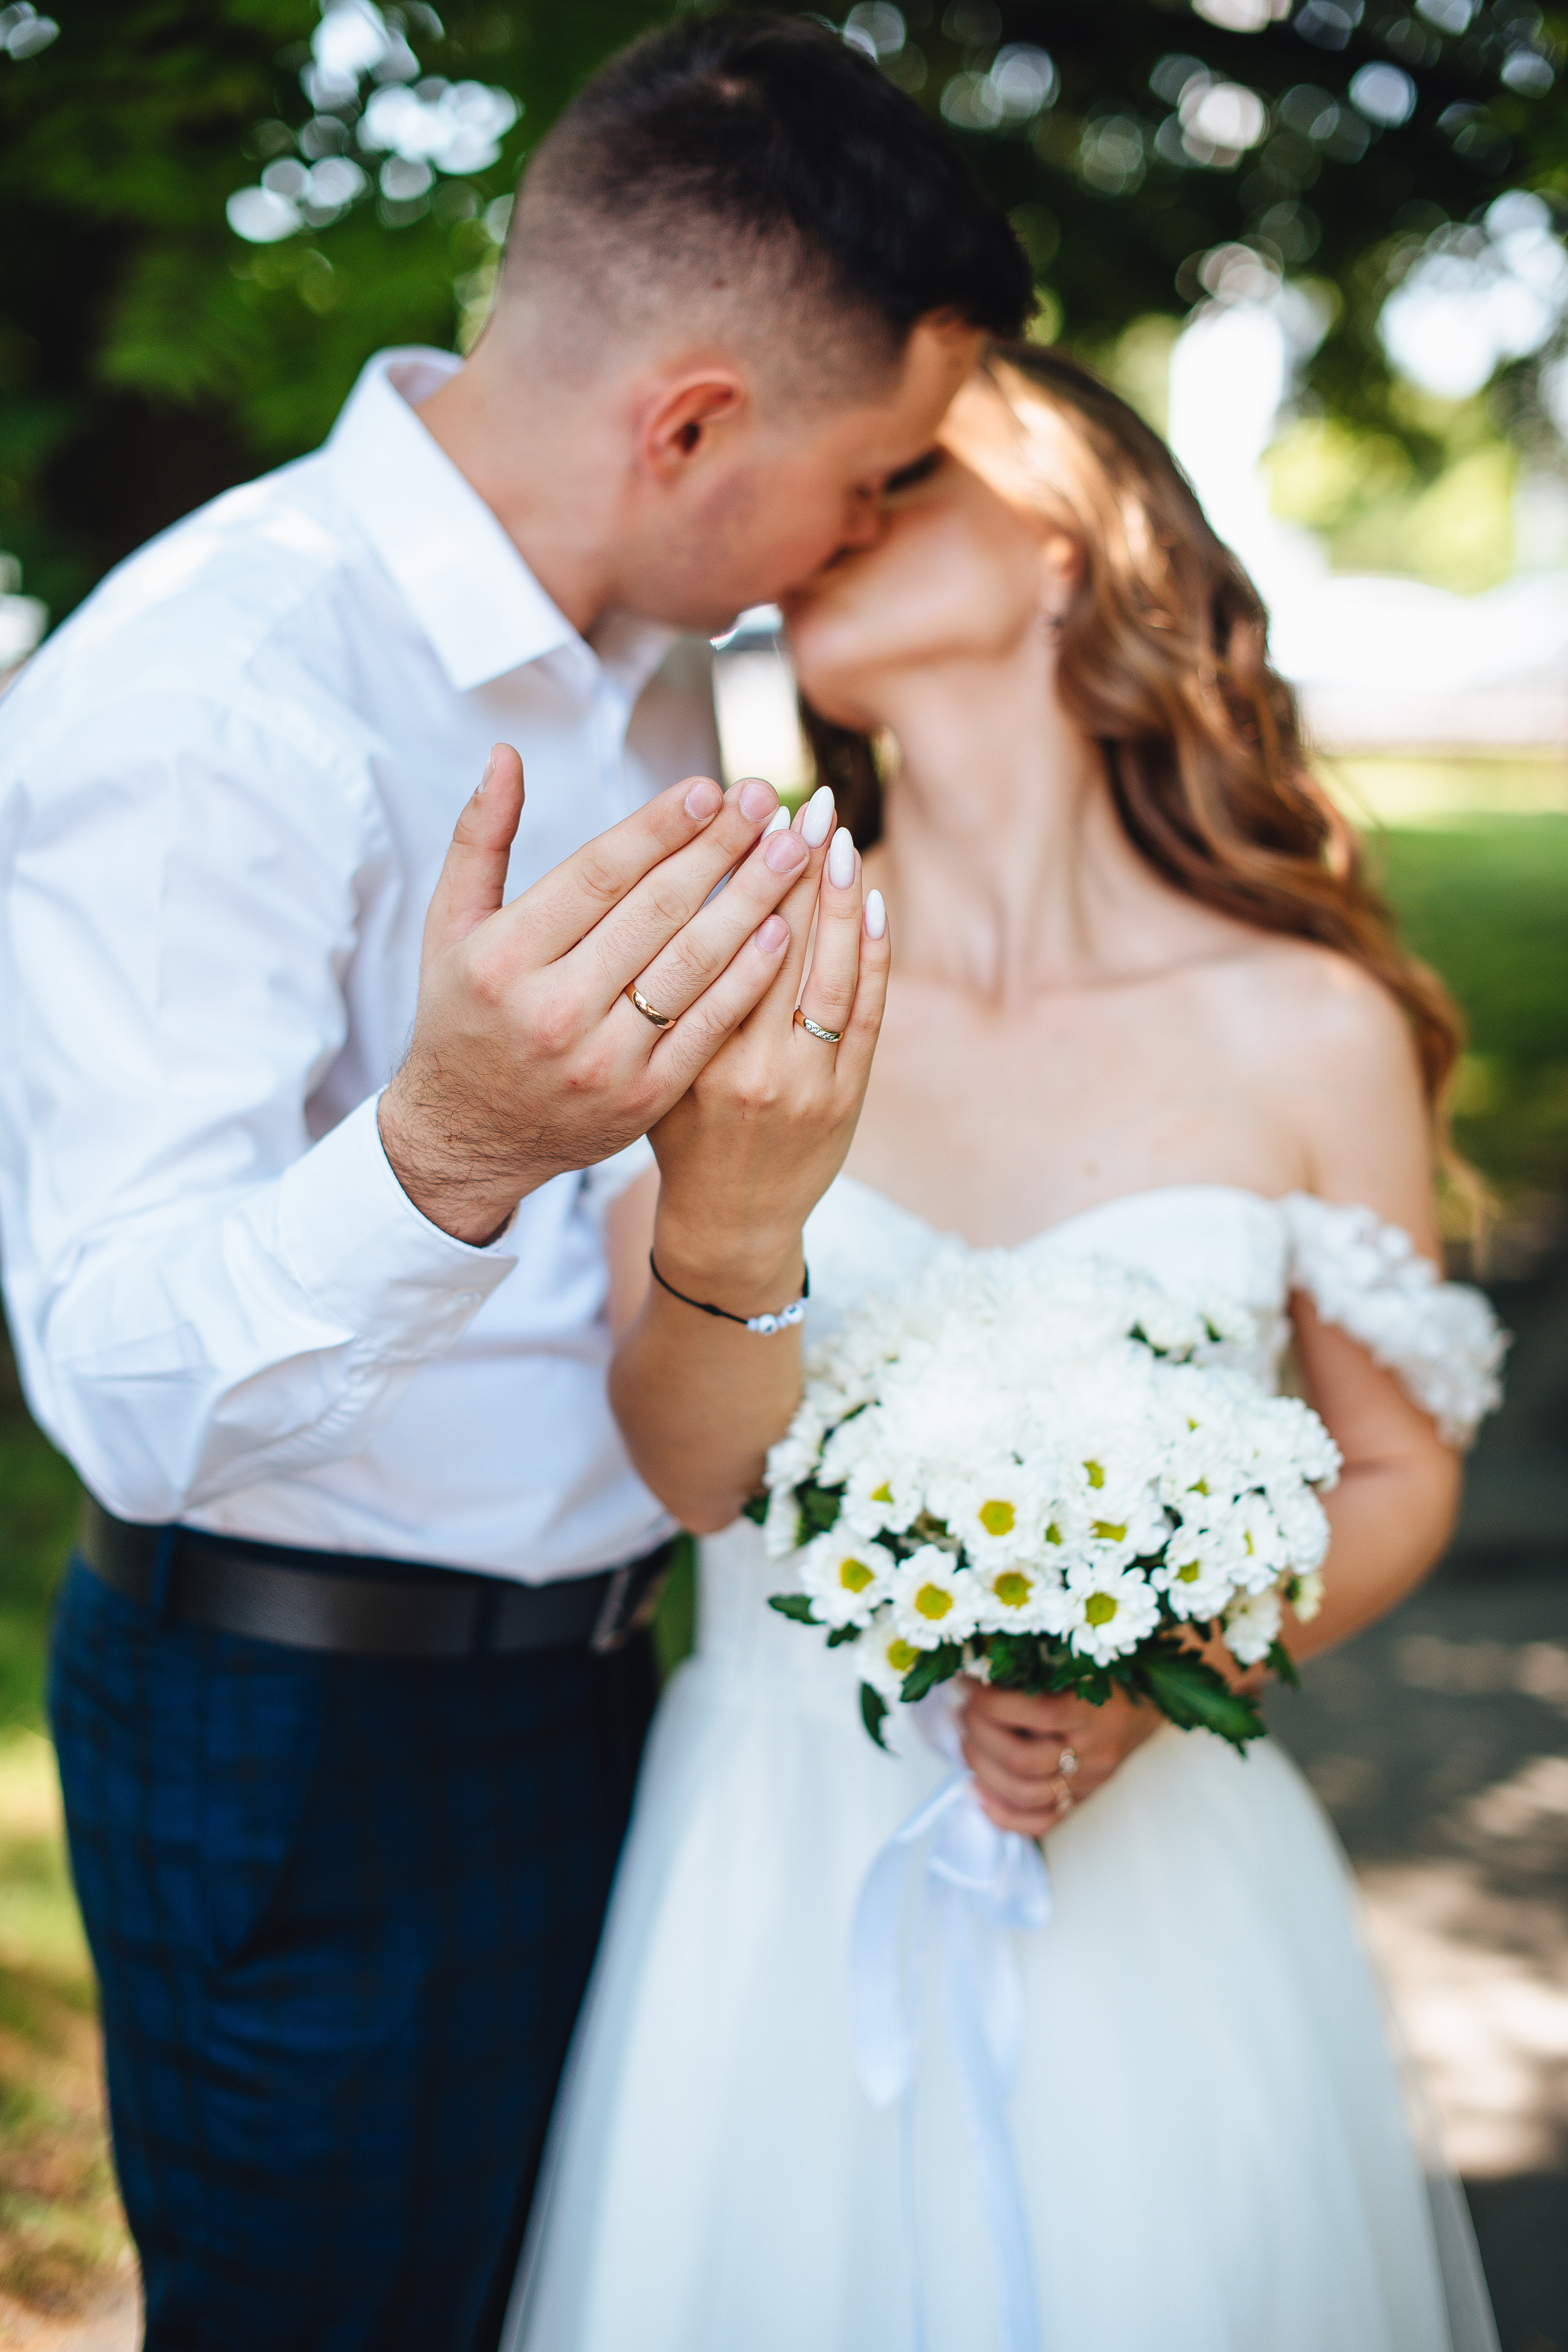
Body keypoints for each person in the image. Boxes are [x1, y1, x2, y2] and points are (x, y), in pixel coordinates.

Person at [0, 20, 1035, 2351]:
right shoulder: (214, 692)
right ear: (691, 425)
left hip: (611, 1706)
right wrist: (450, 1147)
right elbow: (122, 1386)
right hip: (308, 1741)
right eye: (869, 480)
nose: (866, 541)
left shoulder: (652, 669)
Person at [507, 345, 1506, 2351]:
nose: (827, 522)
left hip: (1164, 1889)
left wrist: (1178, 1666)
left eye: (902, 484)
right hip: (777, 1859)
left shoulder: (1302, 1022)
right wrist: (731, 1211)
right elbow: (697, 1476)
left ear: (1066, 546)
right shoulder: (733, 961)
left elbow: (1396, 1471)